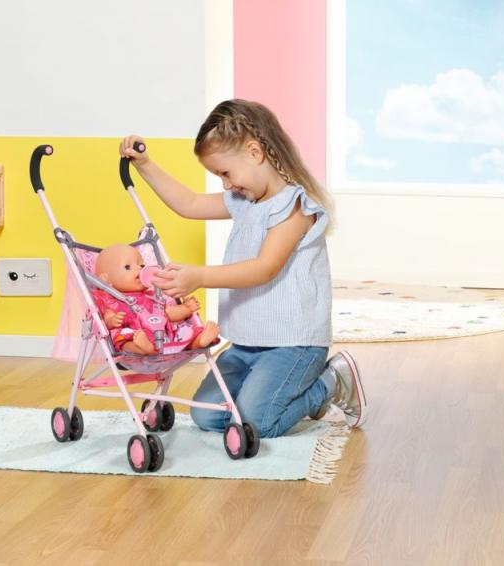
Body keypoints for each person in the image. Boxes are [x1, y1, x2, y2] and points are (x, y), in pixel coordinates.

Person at [119, 99, 368, 437]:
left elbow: (264, 268)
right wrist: (145, 165)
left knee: (256, 422)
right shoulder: (245, 201)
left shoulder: (294, 207)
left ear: (255, 152)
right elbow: (189, 203)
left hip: (293, 344)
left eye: (225, 173)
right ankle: (279, 393)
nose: (226, 184)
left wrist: (199, 276)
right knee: (207, 416)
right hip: (246, 345)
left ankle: (331, 383)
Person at [93, 243, 220, 355]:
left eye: (141, 265)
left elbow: (169, 314)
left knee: (185, 330)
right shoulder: (112, 302)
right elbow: (107, 320)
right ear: (105, 280)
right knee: (123, 340)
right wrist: (112, 320)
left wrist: (186, 308)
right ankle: (141, 348)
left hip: (165, 338)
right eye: (128, 267)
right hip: (136, 334)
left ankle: (199, 341)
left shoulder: (153, 296)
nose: (139, 269)